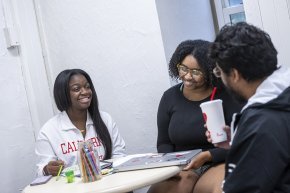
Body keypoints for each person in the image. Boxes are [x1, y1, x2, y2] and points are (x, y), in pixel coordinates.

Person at [148, 40, 241, 193]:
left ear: (210, 71)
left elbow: (241, 139)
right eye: (183, 68)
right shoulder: (169, 97)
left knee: (218, 189)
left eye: (196, 72)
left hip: (218, 160)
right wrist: (173, 165)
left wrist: (208, 156)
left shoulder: (227, 94)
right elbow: (164, 142)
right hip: (183, 166)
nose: (188, 76)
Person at [208, 22, 290, 193]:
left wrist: (247, 136)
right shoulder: (282, 97)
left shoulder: (260, 122)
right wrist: (239, 141)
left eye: (220, 73)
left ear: (235, 74)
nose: (221, 79)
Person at [35, 69, 126, 176]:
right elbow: (41, 171)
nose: (85, 92)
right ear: (63, 94)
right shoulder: (49, 131)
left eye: (87, 87)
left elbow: (119, 155)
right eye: (76, 89)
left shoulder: (105, 119)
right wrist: (47, 169)